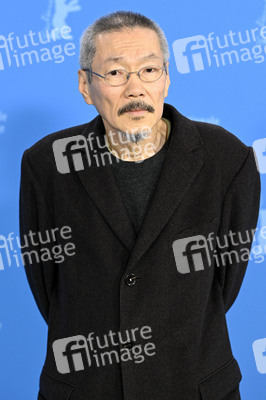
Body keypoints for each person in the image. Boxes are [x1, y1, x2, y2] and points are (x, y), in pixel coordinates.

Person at [19, 10, 261, 400]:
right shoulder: (47, 163)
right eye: (115, 73)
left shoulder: (227, 159)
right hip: (86, 387)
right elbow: (47, 286)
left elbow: (223, 285)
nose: (135, 89)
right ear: (85, 85)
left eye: (149, 70)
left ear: (166, 77)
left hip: (193, 385)